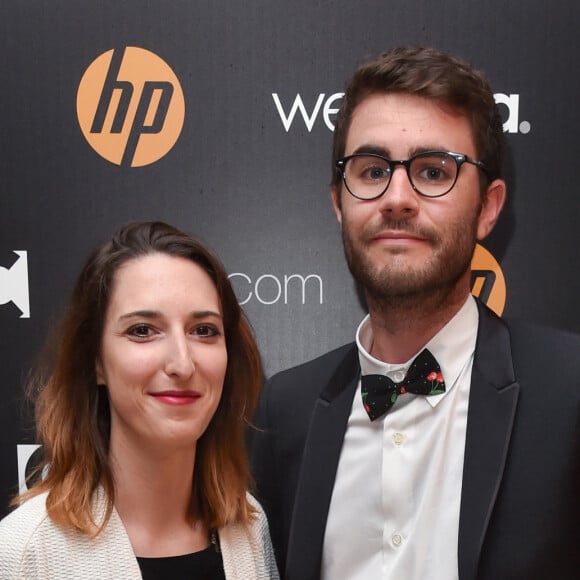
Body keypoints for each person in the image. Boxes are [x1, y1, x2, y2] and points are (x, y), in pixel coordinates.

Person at [250, 46, 580, 580]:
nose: (397, 197)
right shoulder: (284, 411)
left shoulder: (570, 392)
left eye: (432, 171)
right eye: (373, 169)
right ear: (339, 202)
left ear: (488, 208)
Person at [0, 221, 279, 579]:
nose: (182, 362)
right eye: (143, 330)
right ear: (96, 362)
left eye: (203, 330)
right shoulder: (23, 554)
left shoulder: (250, 533)